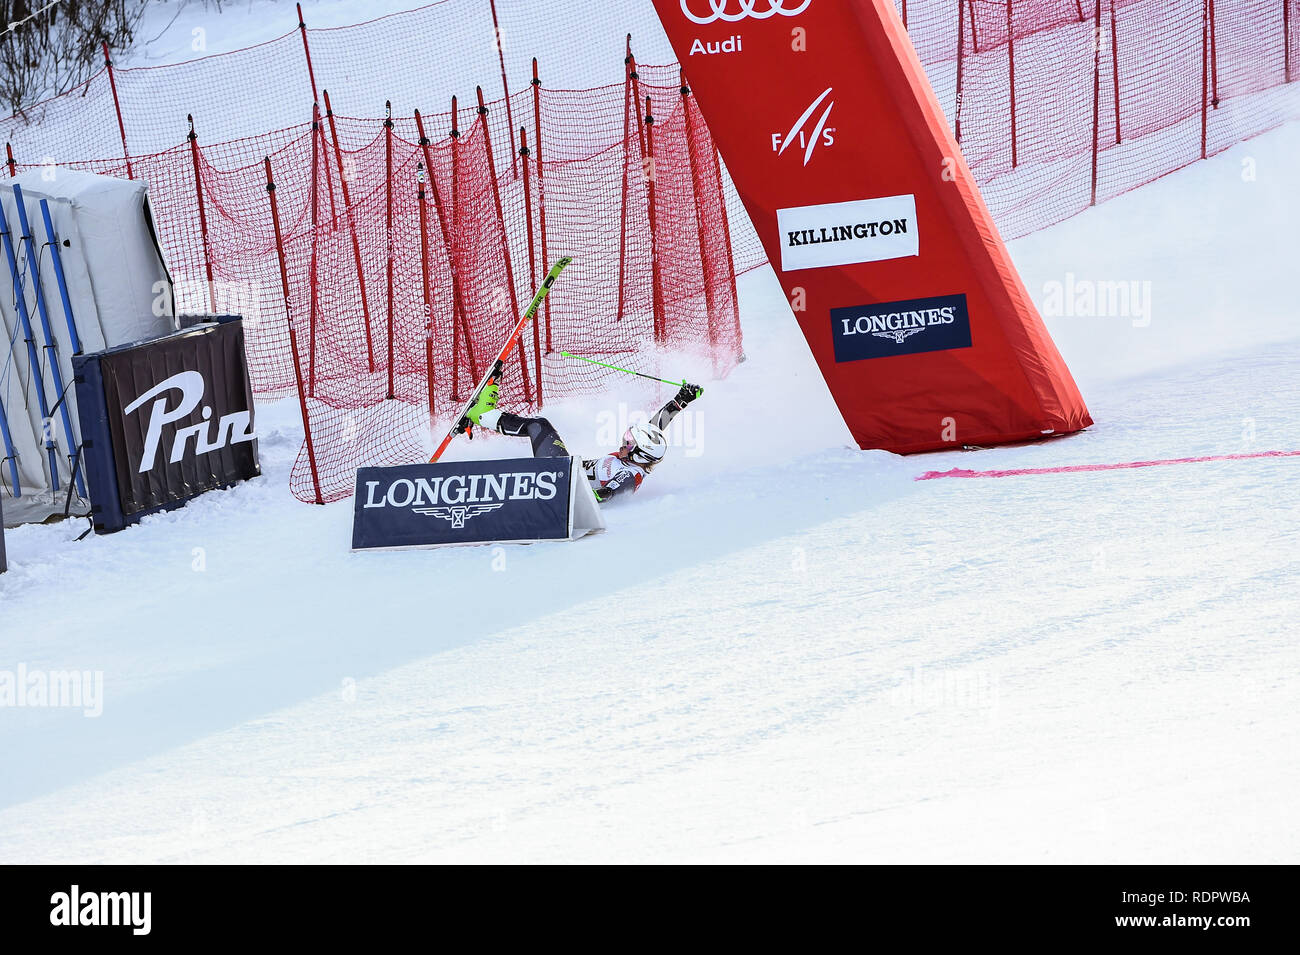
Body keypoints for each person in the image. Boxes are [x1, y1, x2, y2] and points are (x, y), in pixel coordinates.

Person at [465, 380, 703, 502]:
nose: (623, 444)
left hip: (560, 483)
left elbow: (609, 494)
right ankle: (486, 416)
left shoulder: (630, 475)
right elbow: (655, 426)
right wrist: (682, 399)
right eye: (627, 438)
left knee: (539, 426)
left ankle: (483, 414)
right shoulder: (634, 459)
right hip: (563, 472)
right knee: (540, 429)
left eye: (628, 443)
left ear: (640, 455)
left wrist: (566, 503)